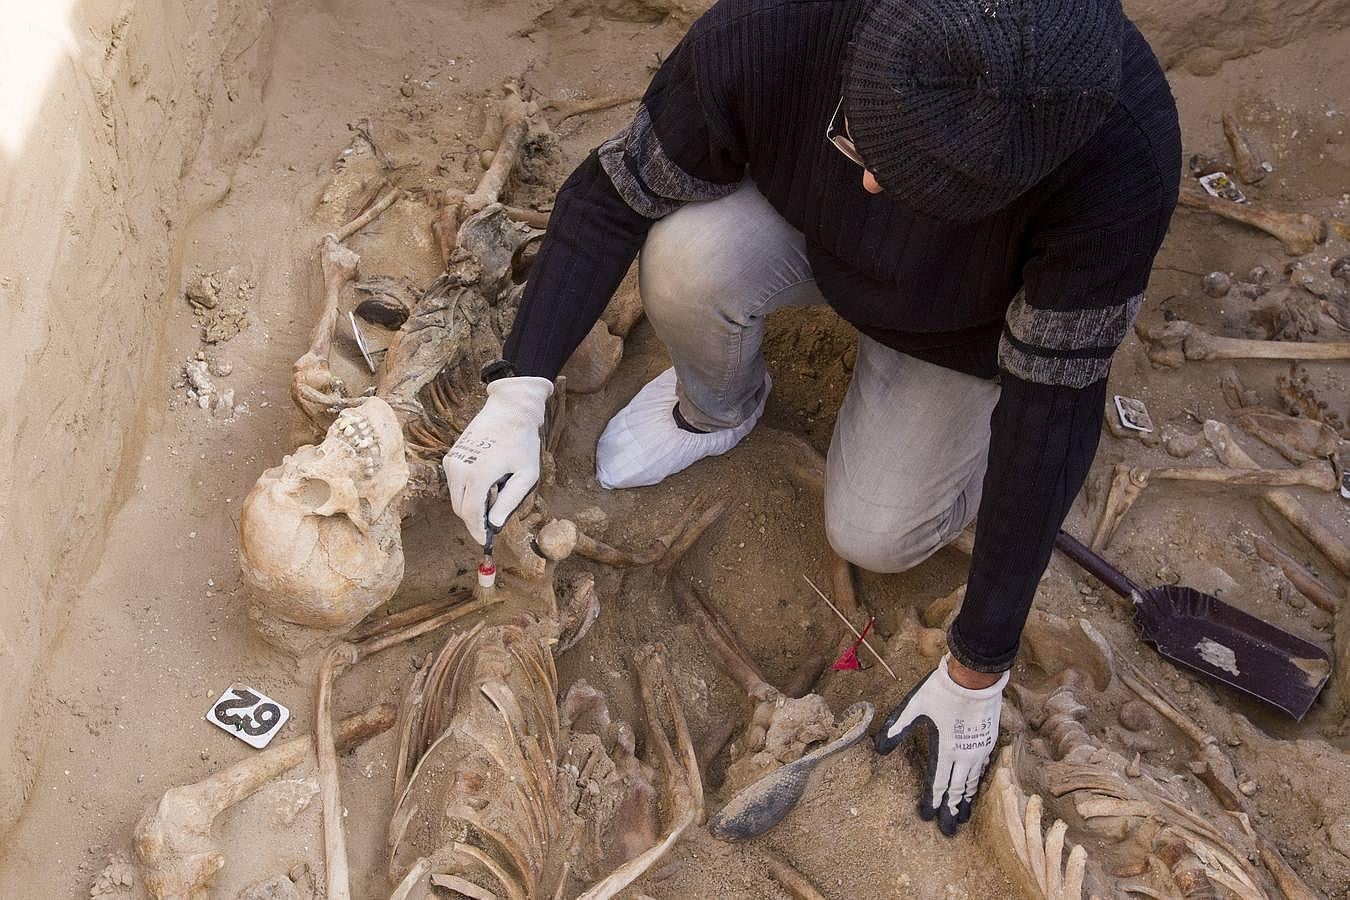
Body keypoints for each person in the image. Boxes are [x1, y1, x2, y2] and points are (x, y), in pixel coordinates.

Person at [444, 0, 1181, 835]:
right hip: (801, 231)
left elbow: (1052, 411)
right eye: (856, 141)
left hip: (959, 335)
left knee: (876, 534)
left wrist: (981, 661)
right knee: (685, 261)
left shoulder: (1122, 162)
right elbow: (614, 191)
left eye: (909, 185)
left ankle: (933, 424)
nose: (869, 182)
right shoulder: (779, 25)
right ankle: (717, 408)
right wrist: (520, 385)